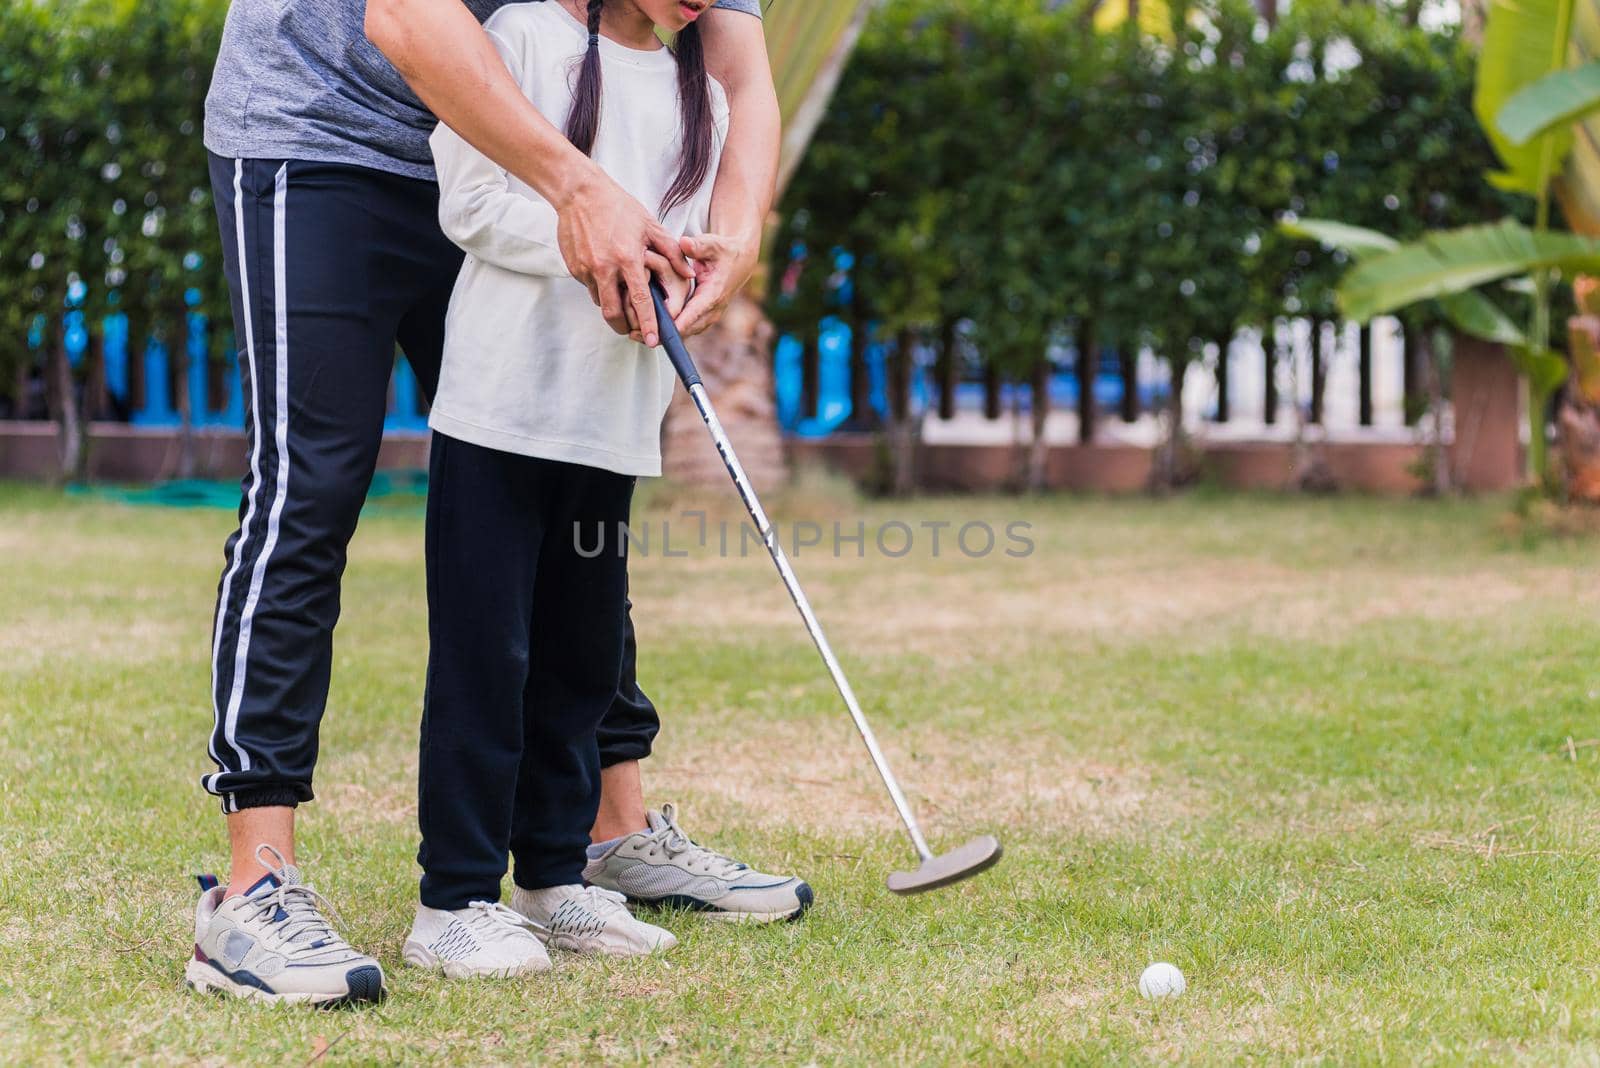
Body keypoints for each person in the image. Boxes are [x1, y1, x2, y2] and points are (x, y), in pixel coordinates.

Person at [185, 0, 806, 1008]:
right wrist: (577, 188)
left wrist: (730, 239)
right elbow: (403, 17)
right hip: (326, 133)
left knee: (566, 510)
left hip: (514, 151)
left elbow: (739, 71)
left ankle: (596, 842)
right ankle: (252, 888)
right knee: (311, 487)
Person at [404, 0, 748, 977]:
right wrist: (587, 237)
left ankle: (555, 885)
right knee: (486, 656)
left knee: (579, 662)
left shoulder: (705, 101)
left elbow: (676, 253)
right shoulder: (521, 37)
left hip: (612, 421)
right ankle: (454, 900)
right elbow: (468, 206)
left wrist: (683, 272)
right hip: (499, 408)